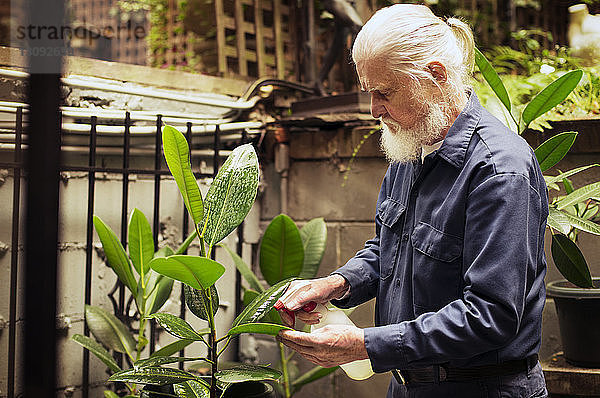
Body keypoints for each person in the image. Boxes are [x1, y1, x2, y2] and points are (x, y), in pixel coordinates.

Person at [275, 4, 549, 398]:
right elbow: (389, 248)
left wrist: (366, 345)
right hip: (406, 385)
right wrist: (337, 284)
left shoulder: (499, 169)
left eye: (384, 92)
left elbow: (491, 316)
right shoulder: (412, 144)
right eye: (369, 92)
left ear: (435, 77)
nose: (373, 110)